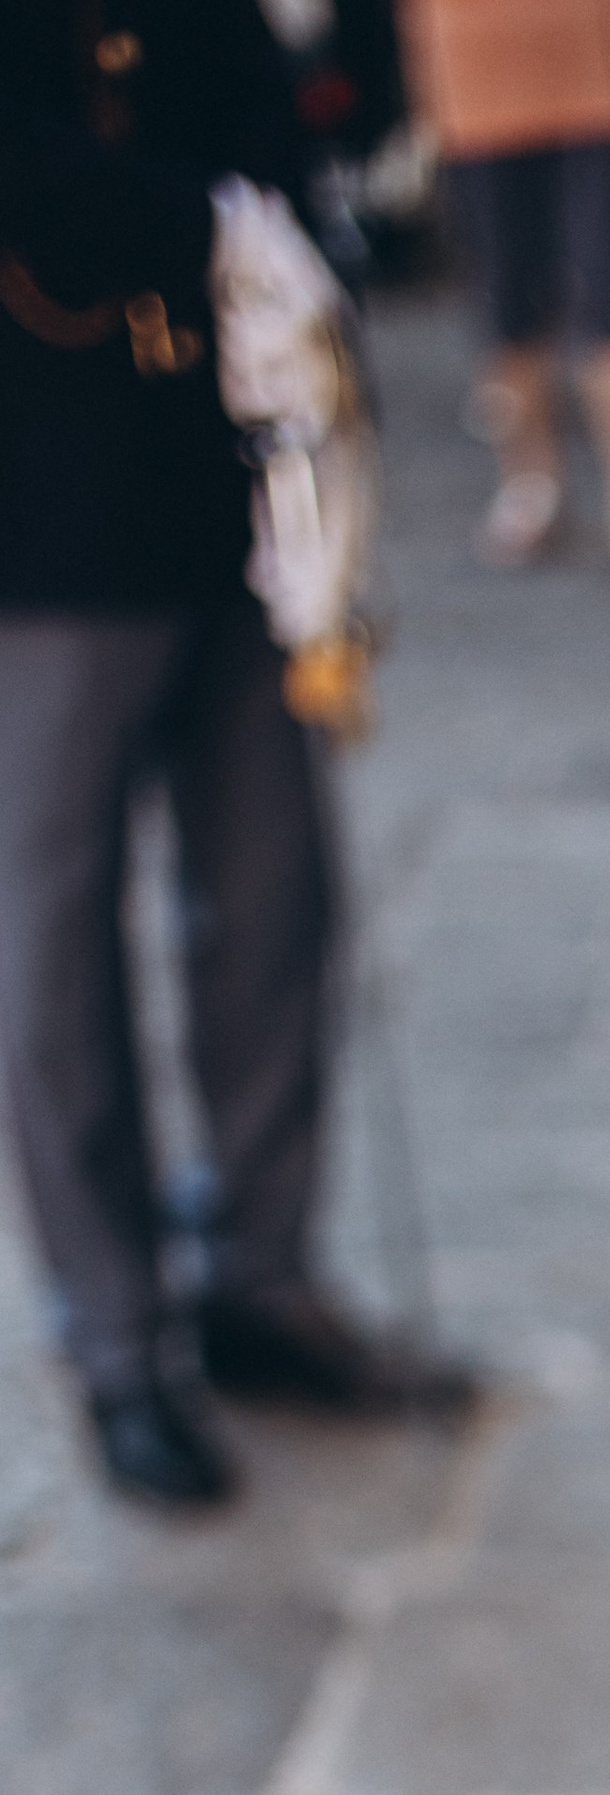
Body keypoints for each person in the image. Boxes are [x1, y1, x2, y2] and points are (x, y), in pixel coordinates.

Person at [0, 0, 477, 1514]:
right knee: (55, 947)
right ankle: (118, 1340)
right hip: (44, 525)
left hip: (230, 503)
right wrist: (208, 218)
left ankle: (261, 1279)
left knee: (279, 906)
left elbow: (283, 142)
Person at [399, 0, 610, 586]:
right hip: (479, 80)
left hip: (594, 78)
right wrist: (428, 98)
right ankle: (532, 485)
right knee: (508, 307)